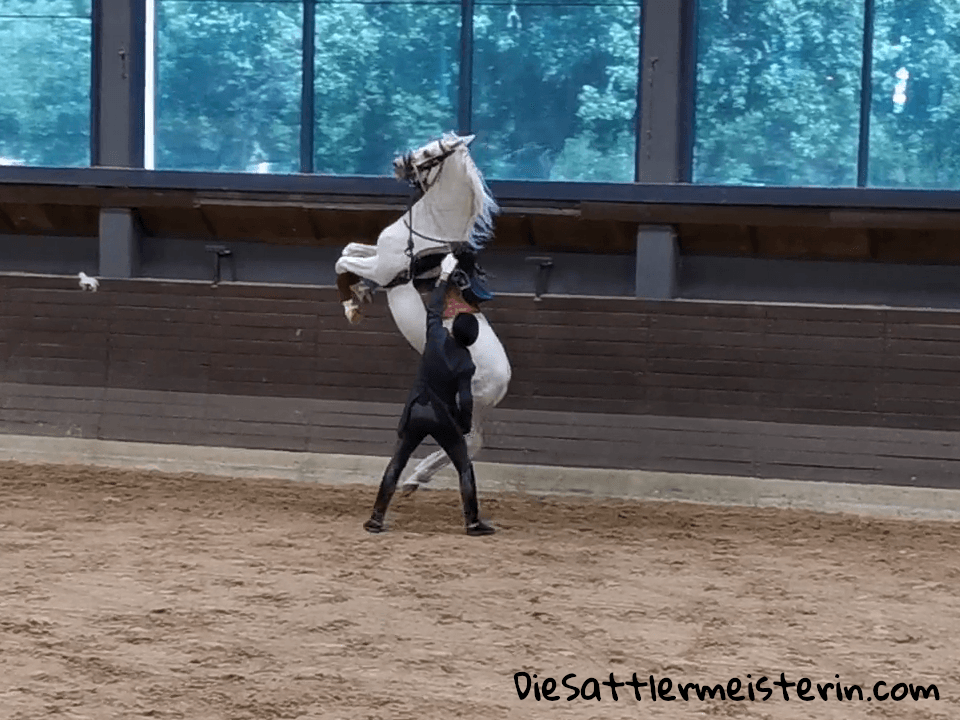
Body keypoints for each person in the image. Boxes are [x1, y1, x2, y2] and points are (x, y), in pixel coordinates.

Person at [363, 254, 495, 536]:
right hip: (443, 416)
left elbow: (434, 308)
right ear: (471, 341)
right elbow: (466, 399)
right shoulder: (466, 363)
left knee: (397, 462)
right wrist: (463, 425)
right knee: (463, 467)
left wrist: (445, 276)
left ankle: (376, 518)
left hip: (415, 410)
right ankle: (472, 522)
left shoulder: (435, 336)